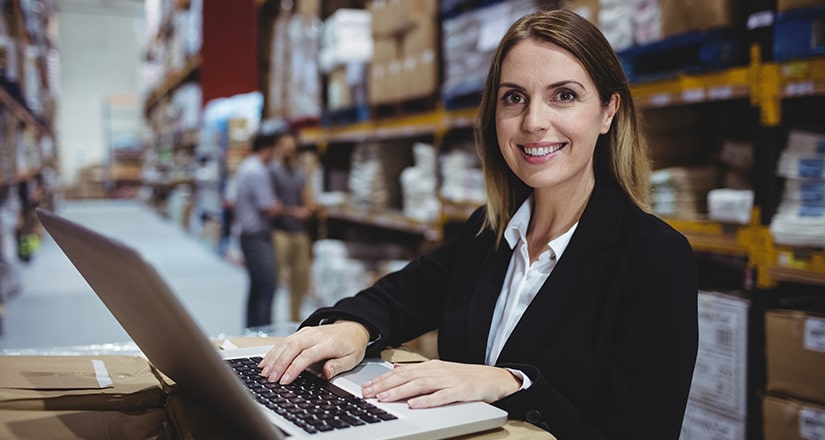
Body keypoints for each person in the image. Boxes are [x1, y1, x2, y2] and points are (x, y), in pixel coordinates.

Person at [258, 9, 698, 439]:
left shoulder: (653, 256)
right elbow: (396, 299)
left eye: (564, 95)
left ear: (608, 111)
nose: (533, 122)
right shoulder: (488, 233)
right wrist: (353, 329)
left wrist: (512, 384)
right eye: (514, 98)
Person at [233, 131, 282, 328]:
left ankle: (252, 329)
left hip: (248, 235)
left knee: (256, 287)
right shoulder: (257, 171)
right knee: (267, 287)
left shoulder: (247, 167)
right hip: (257, 237)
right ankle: (263, 332)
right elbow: (269, 207)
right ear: (268, 148)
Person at [269, 130, 315, 322]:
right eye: (285, 147)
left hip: (299, 233)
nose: (289, 151)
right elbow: (273, 206)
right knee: (275, 279)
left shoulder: (299, 173)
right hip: (280, 233)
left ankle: (295, 320)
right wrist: (295, 211)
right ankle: (267, 320)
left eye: (292, 148)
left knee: (300, 279)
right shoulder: (272, 171)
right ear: (279, 148)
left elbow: (308, 201)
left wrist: (306, 208)